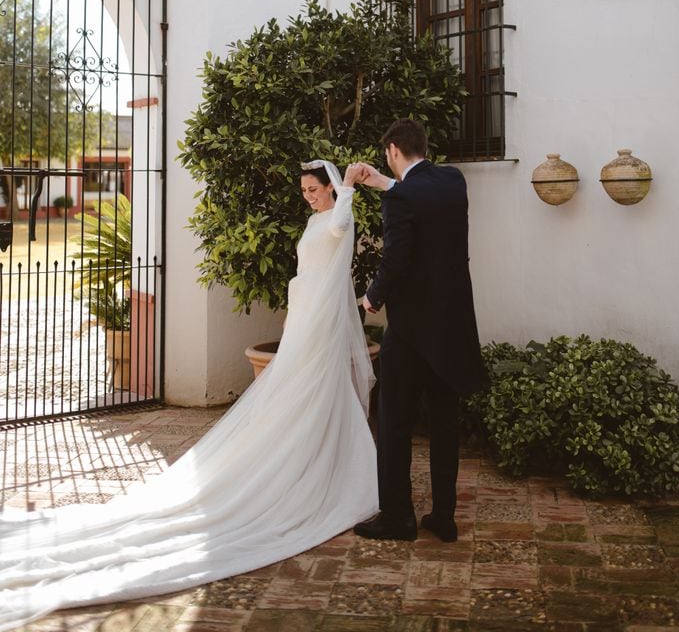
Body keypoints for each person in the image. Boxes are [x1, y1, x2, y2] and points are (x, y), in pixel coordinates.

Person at [0, 161, 377, 632]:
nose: (308, 197)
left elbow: (341, 229)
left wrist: (347, 190)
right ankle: (309, 463)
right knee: (295, 396)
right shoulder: (313, 218)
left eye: (313, 189)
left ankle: (328, 462)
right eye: (303, 191)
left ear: (329, 186)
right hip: (305, 318)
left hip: (322, 325)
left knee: (319, 392)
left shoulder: (340, 213)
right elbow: (306, 271)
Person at [354, 119, 486, 543]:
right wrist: (386, 185)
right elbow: (419, 197)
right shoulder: (453, 181)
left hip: (410, 332)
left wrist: (372, 298)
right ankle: (443, 517)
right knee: (445, 424)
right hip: (451, 329)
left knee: (393, 422)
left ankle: (398, 517)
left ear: (392, 150)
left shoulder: (400, 199)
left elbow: (396, 258)